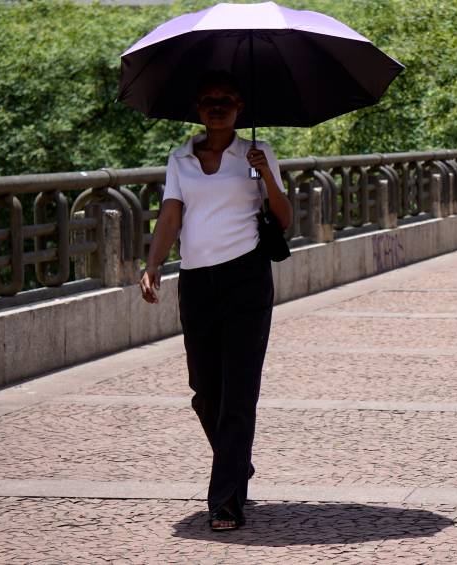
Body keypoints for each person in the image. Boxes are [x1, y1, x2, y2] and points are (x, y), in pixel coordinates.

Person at [139, 71, 292, 532]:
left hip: (247, 278)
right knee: (206, 392)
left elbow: (283, 219)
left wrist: (265, 173)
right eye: (208, 100)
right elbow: (170, 214)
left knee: (239, 392)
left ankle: (225, 500)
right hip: (197, 281)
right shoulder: (180, 158)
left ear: (239, 106)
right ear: (198, 109)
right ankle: (236, 460)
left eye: (226, 98)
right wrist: (153, 264)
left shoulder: (257, 156)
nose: (217, 105)